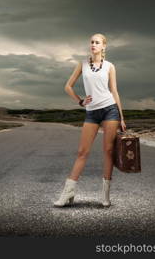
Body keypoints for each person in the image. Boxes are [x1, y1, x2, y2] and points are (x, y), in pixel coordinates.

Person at [53, 33, 127, 207]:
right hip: (92, 112)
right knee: (82, 152)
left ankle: (105, 194)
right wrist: (80, 101)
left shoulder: (110, 66)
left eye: (97, 42)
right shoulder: (83, 64)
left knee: (108, 151)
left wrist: (122, 117)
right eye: (91, 42)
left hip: (110, 110)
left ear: (104, 47)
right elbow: (67, 86)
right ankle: (68, 192)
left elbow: (114, 91)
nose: (93, 44)